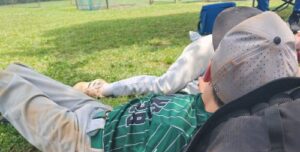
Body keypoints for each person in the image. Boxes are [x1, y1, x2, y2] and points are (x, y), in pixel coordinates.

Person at [1, 9, 297, 152]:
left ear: (205, 73)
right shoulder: (214, 111)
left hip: (80, 143)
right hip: (104, 116)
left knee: (8, 83)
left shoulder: (178, 127)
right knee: (18, 71)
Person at [74, 8, 261, 98]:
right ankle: (104, 89)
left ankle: (104, 89)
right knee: (164, 85)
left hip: (214, 82)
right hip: (214, 45)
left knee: (174, 89)